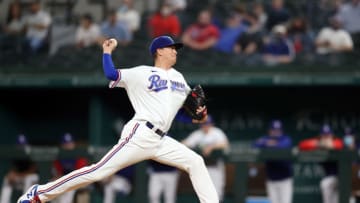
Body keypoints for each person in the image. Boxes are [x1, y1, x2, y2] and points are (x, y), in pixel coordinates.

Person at [17, 35, 219, 203]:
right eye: (171, 48)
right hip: (139, 135)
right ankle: (38, 193)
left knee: (195, 161)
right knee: (97, 172)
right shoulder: (142, 73)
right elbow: (111, 74)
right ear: (159, 51)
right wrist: (107, 52)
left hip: (161, 140)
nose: (176, 51)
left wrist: (198, 115)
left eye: (176, 48)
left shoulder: (179, 78)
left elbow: (182, 112)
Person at [182, 116, 229, 202]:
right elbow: (185, 143)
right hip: (203, 167)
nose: (205, 126)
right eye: (204, 124)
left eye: (207, 124)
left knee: (218, 191)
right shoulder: (197, 134)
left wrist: (211, 147)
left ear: (211, 124)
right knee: (203, 191)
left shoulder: (217, 132)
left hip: (216, 167)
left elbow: (225, 144)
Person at [298, 124, 344, 203]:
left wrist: (329, 144)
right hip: (331, 177)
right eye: (324, 135)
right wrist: (318, 144)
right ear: (320, 136)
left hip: (343, 177)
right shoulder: (318, 143)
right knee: (326, 185)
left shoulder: (337, 142)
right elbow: (302, 145)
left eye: (328, 135)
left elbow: (339, 144)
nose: (326, 137)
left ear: (332, 135)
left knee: (327, 185)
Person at [253, 120, 293, 203]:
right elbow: (254, 145)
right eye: (274, 130)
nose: (276, 132)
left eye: (278, 130)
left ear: (281, 131)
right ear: (270, 130)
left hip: (285, 180)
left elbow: (283, 146)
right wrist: (267, 142)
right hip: (271, 180)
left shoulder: (286, 139)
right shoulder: (266, 139)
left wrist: (269, 144)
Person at [0, 134, 39, 203]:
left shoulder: (30, 153)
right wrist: (11, 174)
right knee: (7, 179)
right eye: (20, 145)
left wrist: (20, 175)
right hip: (21, 179)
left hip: (34, 181)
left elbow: (33, 170)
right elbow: (13, 169)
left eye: (23, 145)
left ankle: (26, 201)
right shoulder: (15, 153)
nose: (21, 147)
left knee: (29, 178)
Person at [51, 133, 89, 203]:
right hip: (65, 180)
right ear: (61, 145)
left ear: (74, 144)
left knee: (70, 185)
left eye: (70, 143)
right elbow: (57, 173)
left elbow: (80, 174)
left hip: (80, 180)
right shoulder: (59, 156)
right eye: (65, 143)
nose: (68, 145)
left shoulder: (79, 154)